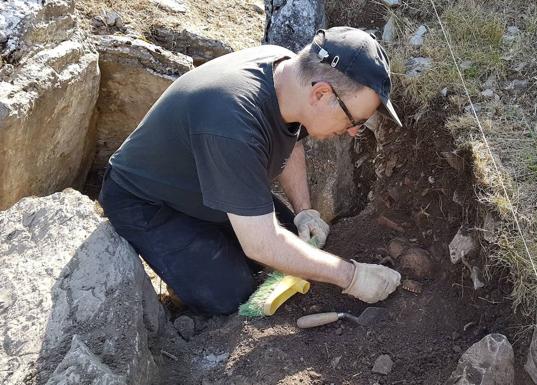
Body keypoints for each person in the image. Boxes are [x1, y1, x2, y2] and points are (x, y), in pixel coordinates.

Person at [98, 26, 403, 315]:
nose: (353, 132)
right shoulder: (233, 122)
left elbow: (292, 139)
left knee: (295, 246)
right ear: (321, 94)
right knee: (231, 292)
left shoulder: (289, 75)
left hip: (210, 180)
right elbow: (262, 243)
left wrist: (304, 211)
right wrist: (351, 276)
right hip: (147, 200)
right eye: (355, 120)